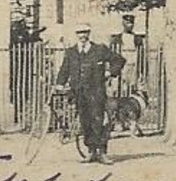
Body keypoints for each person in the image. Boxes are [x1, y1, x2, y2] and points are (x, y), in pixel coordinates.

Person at [53, 21, 125, 163]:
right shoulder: (71, 52)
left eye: (85, 32)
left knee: (99, 121)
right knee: (85, 122)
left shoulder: (99, 49)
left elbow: (119, 60)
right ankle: (91, 151)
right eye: (80, 33)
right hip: (79, 93)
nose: (82, 36)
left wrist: (110, 72)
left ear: (89, 33)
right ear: (76, 35)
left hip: (96, 92)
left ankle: (102, 152)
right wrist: (59, 84)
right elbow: (64, 70)